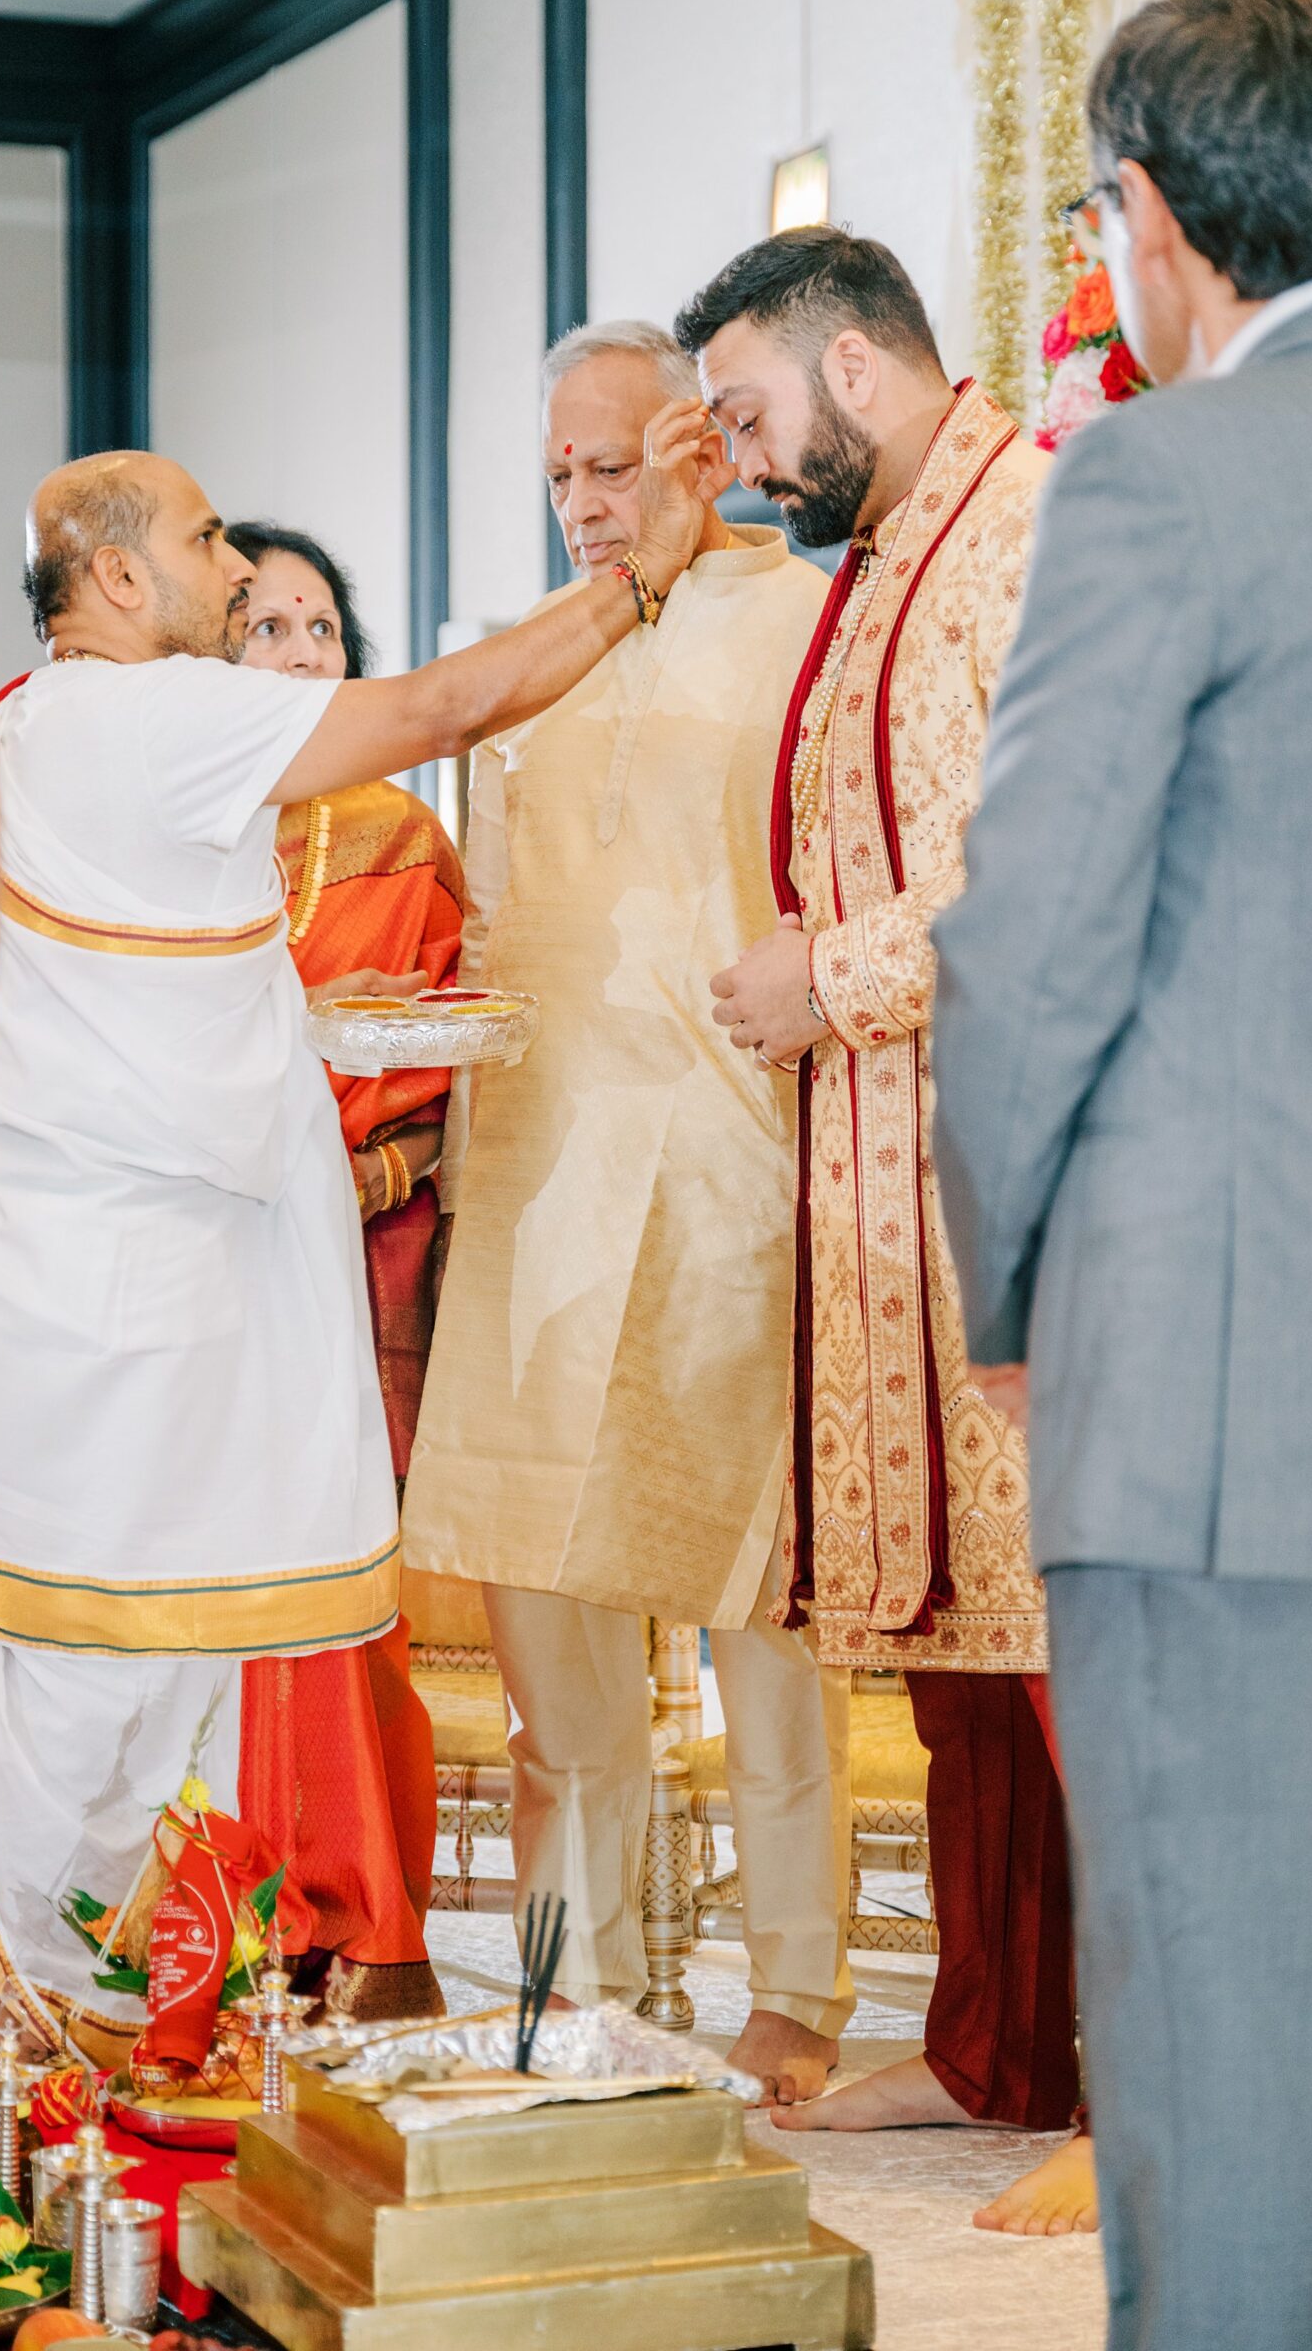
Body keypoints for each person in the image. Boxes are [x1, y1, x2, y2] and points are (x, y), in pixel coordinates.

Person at [0, 414, 714, 2070]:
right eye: (208, 545)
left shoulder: (25, 721)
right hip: (121, 1308)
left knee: (99, 1665)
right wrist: (641, 581)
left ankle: (33, 2030)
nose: (239, 569)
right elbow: (443, 707)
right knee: (103, 1676)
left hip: (46, 1286)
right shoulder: (158, 712)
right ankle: (36, 2033)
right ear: (119, 576)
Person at [931, 0, 1312, 2349]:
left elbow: (1033, 947)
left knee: (1227, 2078)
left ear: (1155, 213)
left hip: (1220, 1402)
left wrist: (1011, 1298)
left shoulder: (1162, 471)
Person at [403, 321, 855, 2105]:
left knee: (763, 1601)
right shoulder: (523, 655)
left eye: (613, 467)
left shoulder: (811, 621)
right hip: (536, 1166)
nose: (587, 506)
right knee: (546, 1611)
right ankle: (561, 1990)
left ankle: (800, 1990)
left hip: (743, 1157)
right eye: (560, 480)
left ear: (694, 442)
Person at [693, 230, 1090, 2222]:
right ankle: (999, 2040)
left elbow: (1056, 852)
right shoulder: (885, 559)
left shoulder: (1025, 523)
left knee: (1074, 1649)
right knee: (970, 1652)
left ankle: (1148, 2095)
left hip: (1014, 1161)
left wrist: (823, 974)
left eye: (753, 416)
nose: (752, 465)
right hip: (889, 1173)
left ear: (855, 365)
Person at [228, 517, 464, 2018]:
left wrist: (348, 1165)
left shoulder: (403, 838)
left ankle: (370, 1922)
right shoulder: (178, 830)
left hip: (358, 1253)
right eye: (266, 626)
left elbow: (452, 1063)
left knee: (332, 1594)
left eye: (321, 628)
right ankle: (229, 1914)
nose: (303, 651)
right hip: (200, 1253)